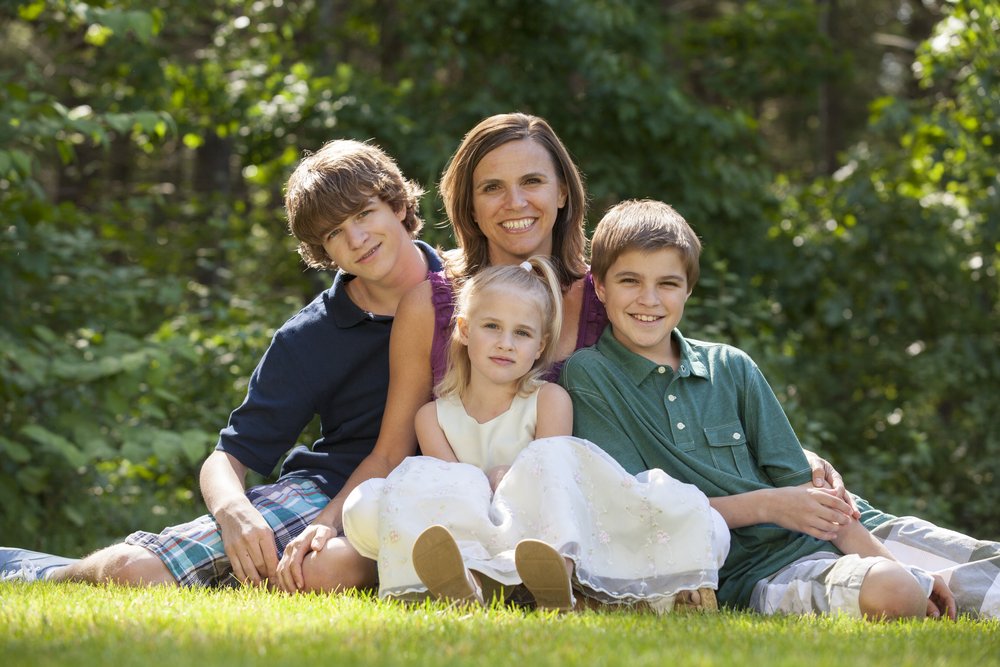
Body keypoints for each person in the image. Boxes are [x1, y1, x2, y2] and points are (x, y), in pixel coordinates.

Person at [276, 112, 847, 593]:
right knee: (322, 568)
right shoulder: (433, 302)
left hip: (574, 508)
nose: (514, 202)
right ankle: (467, 572)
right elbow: (392, 446)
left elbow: (678, 389)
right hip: (458, 504)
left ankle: (540, 574)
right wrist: (325, 523)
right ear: (469, 205)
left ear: (563, 192)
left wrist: (794, 453)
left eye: (532, 182)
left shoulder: (607, 289)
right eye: (492, 188)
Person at [1, 139, 442, 591]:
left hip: (434, 491)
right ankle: (35, 570)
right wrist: (234, 513)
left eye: (364, 214)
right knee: (135, 574)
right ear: (323, 251)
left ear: (398, 204)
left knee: (324, 572)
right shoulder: (311, 335)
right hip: (328, 490)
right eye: (333, 234)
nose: (356, 239)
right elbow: (229, 455)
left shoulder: (477, 289)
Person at [560, 199, 960, 620]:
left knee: (978, 570)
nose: (649, 299)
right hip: (757, 575)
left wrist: (904, 566)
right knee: (895, 591)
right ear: (600, 287)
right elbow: (639, 510)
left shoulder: (730, 366)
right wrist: (770, 506)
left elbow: (808, 492)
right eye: (630, 281)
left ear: (688, 289)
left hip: (836, 534)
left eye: (668, 284)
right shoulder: (590, 376)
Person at [342, 257, 729, 610]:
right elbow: (452, 491)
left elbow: (552, 482)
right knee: (378, 498)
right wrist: (485, 482)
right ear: (463, 329)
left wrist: (507, 480)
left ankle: (555, 575)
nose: (505, 343)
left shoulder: (549, 399)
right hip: (474, 525)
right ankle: (468, 582)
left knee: (679, 510)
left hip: (537, 526)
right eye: (492, 326)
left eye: (522, 333)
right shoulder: (432, 416)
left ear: (540, 344)